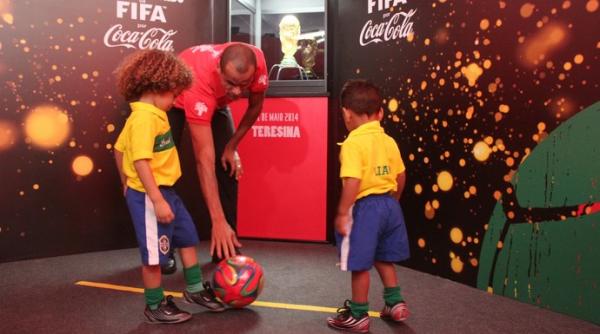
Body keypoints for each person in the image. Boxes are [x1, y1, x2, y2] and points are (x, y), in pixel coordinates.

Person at [113, 49, 225, 324]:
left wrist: (124, 181)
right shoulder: (143, 119)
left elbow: (118, 149)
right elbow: (139, 160)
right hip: (153, 196)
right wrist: (152, 197)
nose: (176, 101)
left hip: (167, 192)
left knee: (187, 237)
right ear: (155, 88)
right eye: (173, 95)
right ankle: (154, 305)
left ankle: (195, 289)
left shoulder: (153, 114)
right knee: (154, 256)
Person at [166, 42, 269, 269]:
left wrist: (231, 147)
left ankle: (226, 248)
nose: (237, 92)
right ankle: (164, 248)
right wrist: (217, 220)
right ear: (219, 70)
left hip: (216, 100)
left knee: (227, 165)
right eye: (231, 83)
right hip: (177, 98)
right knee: (162, 170)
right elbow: (204, 159)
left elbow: (255, 107)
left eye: (244, 84)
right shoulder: (198, 80)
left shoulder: (257, 60)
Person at [327, 80, 410, 332]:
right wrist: (393, 202)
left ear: (346, 113)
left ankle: (359, 314)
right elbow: (401, 176)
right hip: (389, 204)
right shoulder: (389, 141)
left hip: (365, 208)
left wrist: (343, 212)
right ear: (381, 113)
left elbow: (353, 180)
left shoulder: (353, 142)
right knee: (383, 256)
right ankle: (395, 303)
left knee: (360, 262)